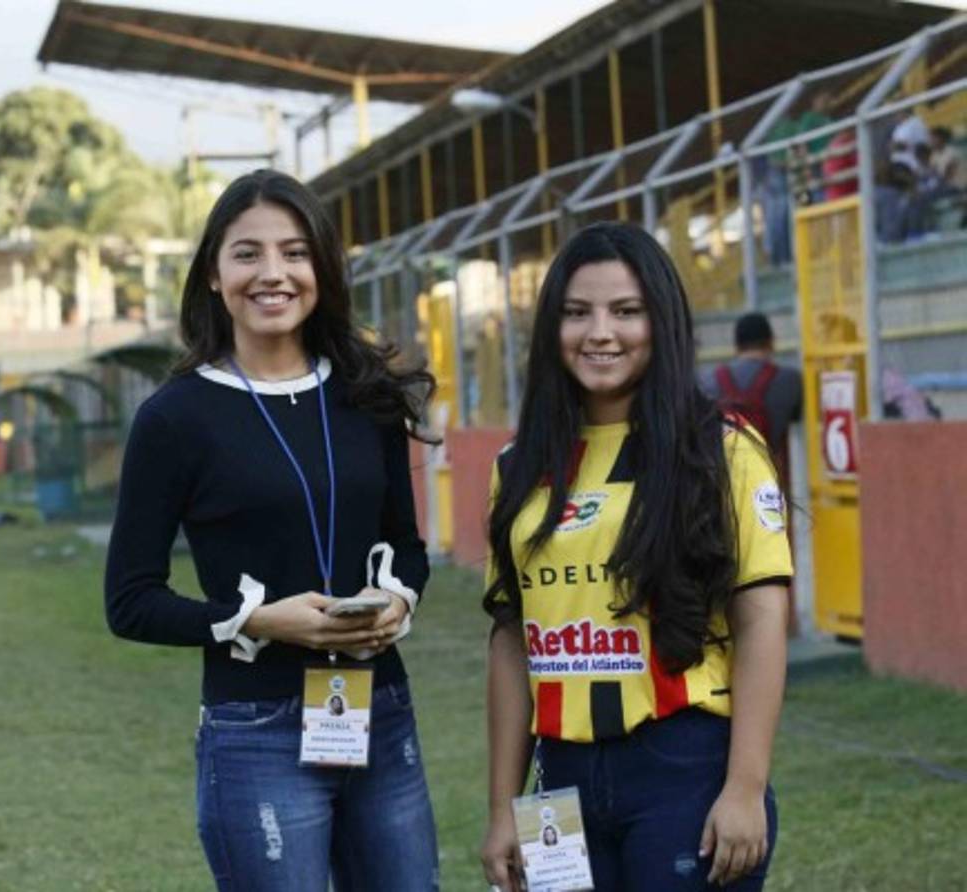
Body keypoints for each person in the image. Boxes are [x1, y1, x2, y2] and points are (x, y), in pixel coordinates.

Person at [105, 169, 439, 891]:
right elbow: (130, 602)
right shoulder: (174, 419)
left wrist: (398, 601)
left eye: (294, 252)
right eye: (247, 253)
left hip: (379, 711)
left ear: (322, 267)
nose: (273, 273)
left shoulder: (367, 395)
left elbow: (407, 548)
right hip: (256, 728)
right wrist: (256, 620)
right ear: (214, 274)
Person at [479, 223, 792, 892]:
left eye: (626, 311)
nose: (600, 333)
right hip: (560, 776)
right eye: (577, 312)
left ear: (662, 322)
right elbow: (511, 640)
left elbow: (763, 620)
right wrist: (503, 805)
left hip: (683, 764)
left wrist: (745, 786)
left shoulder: (723, 449)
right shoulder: (518, 465)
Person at [703, 312, 802, 485]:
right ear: (771, 342)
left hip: (724, 486)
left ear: (736, 346)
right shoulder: (790, 380)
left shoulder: (709, 381)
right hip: (770, 487)